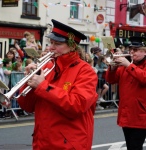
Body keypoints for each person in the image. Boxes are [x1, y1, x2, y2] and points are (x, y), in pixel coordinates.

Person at [18, 19, 98, 150]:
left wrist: (42, 86)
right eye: (51, 42)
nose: (51, 47)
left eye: (58, 43)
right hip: (42, 141)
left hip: (69, 144)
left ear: (72, 46)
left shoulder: (86, 71)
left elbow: (77, 105)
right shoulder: (48, 67)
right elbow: (27, 106)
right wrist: (29, 81)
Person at [105, 36, 146, 150]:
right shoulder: (125, 67)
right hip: (126, 114)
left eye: (136, 50)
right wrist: (112, 68)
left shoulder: (129, 65)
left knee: (135, 147)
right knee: (130, 146)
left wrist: (128, 65)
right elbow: (111, 80)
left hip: (141, 115)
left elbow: (143, 78)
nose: (132, 52)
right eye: (131, 49)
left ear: (144, 52)